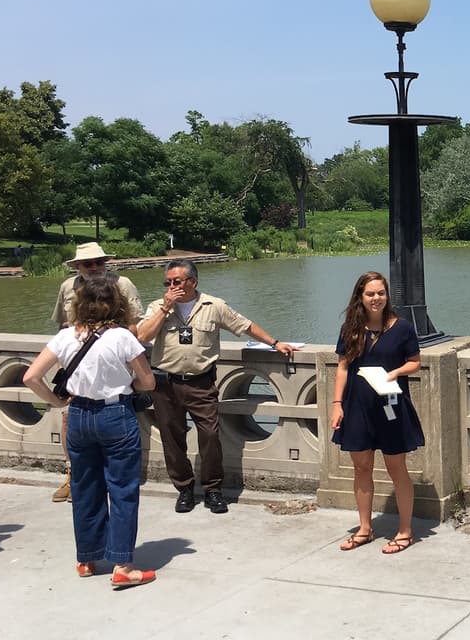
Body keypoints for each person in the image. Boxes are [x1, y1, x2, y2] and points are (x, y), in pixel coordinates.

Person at [23, 275, 158, 588]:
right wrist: (127, 381)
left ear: (79, 304)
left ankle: (87, 558)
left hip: (79, 415)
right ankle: (122, 565)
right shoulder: (122, 337)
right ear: (116, 304)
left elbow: (30, 377)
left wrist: (56, 401)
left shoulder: (66, 336)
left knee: (84, 487)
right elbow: (148, 382)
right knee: (122, 489)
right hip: (115, 413)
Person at [135, 259, 295, 514]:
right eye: (167, 283)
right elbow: (142, 336)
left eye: (176, 282)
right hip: (166, 383)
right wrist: (165, 308)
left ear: (192, 281)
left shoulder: (213, 305)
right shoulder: (157, 306)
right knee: (172, 439)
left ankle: (213, 490)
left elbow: (245, 325)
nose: (171, 287)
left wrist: (275, 343)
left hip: (201, 382)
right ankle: (184, 489)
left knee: (210, 435)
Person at [331, 271, 425, 554]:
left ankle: (405, 532)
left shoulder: (403, 328)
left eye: (381, 293)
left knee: (397, 468)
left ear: (387, 296)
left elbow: (415, 362)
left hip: (391, 406)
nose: (376, 298)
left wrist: (396, 371)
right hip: (357, 406)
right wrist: (337, 404)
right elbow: (343, 367)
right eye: (370, 294)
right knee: (361, 467)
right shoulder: (351, 328)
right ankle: (365, 529)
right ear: (360, 297)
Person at [48, 242, 144, 503]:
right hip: (77, 366)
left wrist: (112, 339)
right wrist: (62, 366)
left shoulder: (123, 284)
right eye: (88, 263)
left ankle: (114, 478)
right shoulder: (68, 287)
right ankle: (73, 474)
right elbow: (62, 326)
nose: (94, 268)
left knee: (117, 419)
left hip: (112, 362)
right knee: (69, 418)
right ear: (78, 266)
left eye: (99, 262)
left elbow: (135, 326)